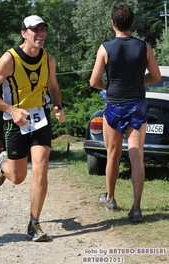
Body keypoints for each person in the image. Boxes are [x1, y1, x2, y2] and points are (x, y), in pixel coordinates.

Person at [0, 15, 66, 242]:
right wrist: (11, 110)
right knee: (18, 177)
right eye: (34, 30)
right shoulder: (10, 58)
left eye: (43, 29)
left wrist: (57, 106)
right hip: (15, 121)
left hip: (40, 118)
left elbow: (54, 86)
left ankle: (34, 223)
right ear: (24, 33)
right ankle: (3, 163)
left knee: (41, 166)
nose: (40, 34)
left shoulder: (49, 60)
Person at [89, 4, 161, 223]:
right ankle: (136, 208)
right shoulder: (144, 47)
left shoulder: (105, 48)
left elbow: (94, 81)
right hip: (137, 105)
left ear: (113, 23)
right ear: (132, 23)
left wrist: (108, 87)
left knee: (112, 154)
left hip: (114, 106)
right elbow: (156, 77)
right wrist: (139, 81)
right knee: (136, 155)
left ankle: (110, 198)